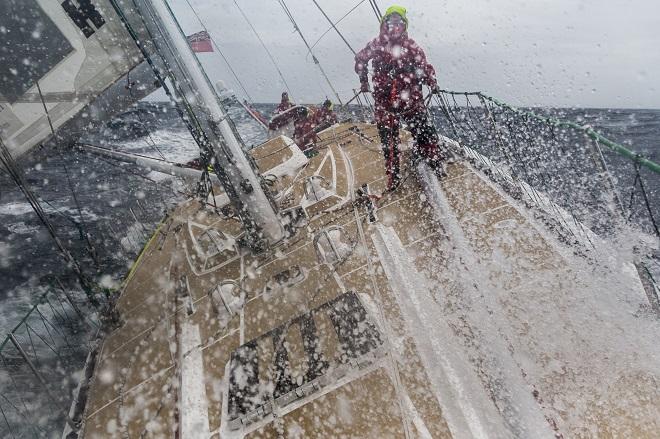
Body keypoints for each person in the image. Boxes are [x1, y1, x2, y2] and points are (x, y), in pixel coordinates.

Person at [354, 5, 443, 189]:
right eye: (391, 21)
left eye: (399, 22)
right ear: (384, 23)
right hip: (385, 103)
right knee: (389, 142)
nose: (394, 25)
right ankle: (393, 177)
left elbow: (424, 66)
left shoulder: (411, 46)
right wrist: (364, 82)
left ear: (405, 25)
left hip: (410, 100)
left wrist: (432, 82)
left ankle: (435, 163)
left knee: (424, 132)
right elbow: (360, 59)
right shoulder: (376, 44)